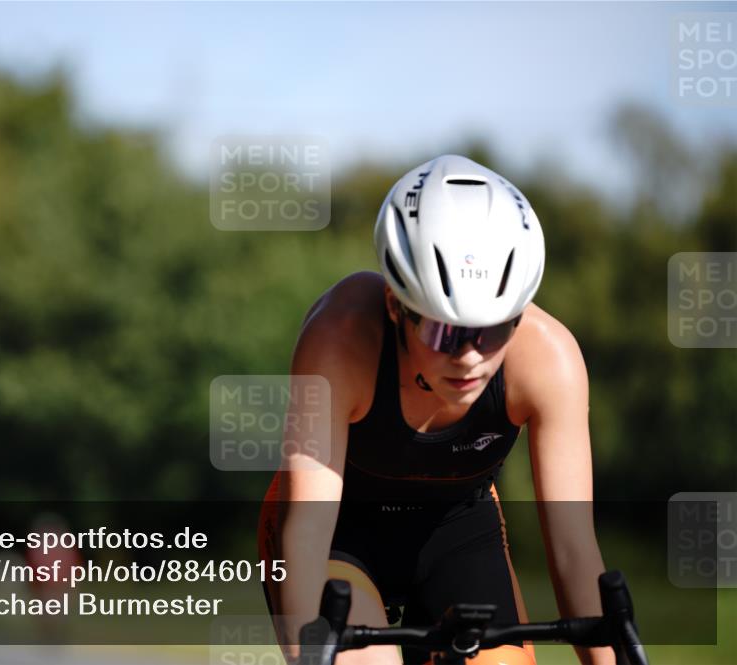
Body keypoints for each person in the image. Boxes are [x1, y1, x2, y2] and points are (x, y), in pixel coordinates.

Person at [257, 155, 613, 665]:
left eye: (492, 329)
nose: (469, 355)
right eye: (445, 330)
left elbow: (575, 552)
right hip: (337, 532)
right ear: (396, 306)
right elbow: (307, 533)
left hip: (458, 531)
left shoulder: (549, 358)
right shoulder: (339, 342)